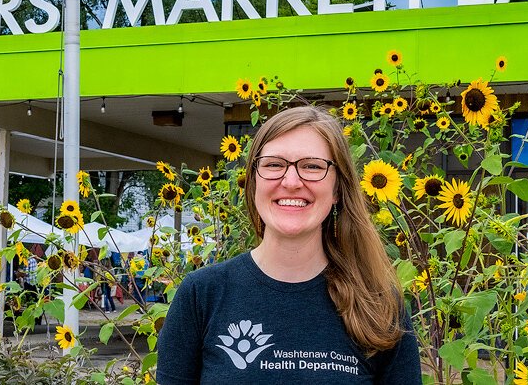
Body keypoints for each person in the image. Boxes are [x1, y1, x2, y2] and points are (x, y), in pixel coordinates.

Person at [157, 106, 420, 383]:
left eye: (312, 166)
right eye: (274, 164)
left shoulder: (377, 302)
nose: (291, 181)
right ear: (254, 181)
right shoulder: (202, 294)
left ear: (338, 190)